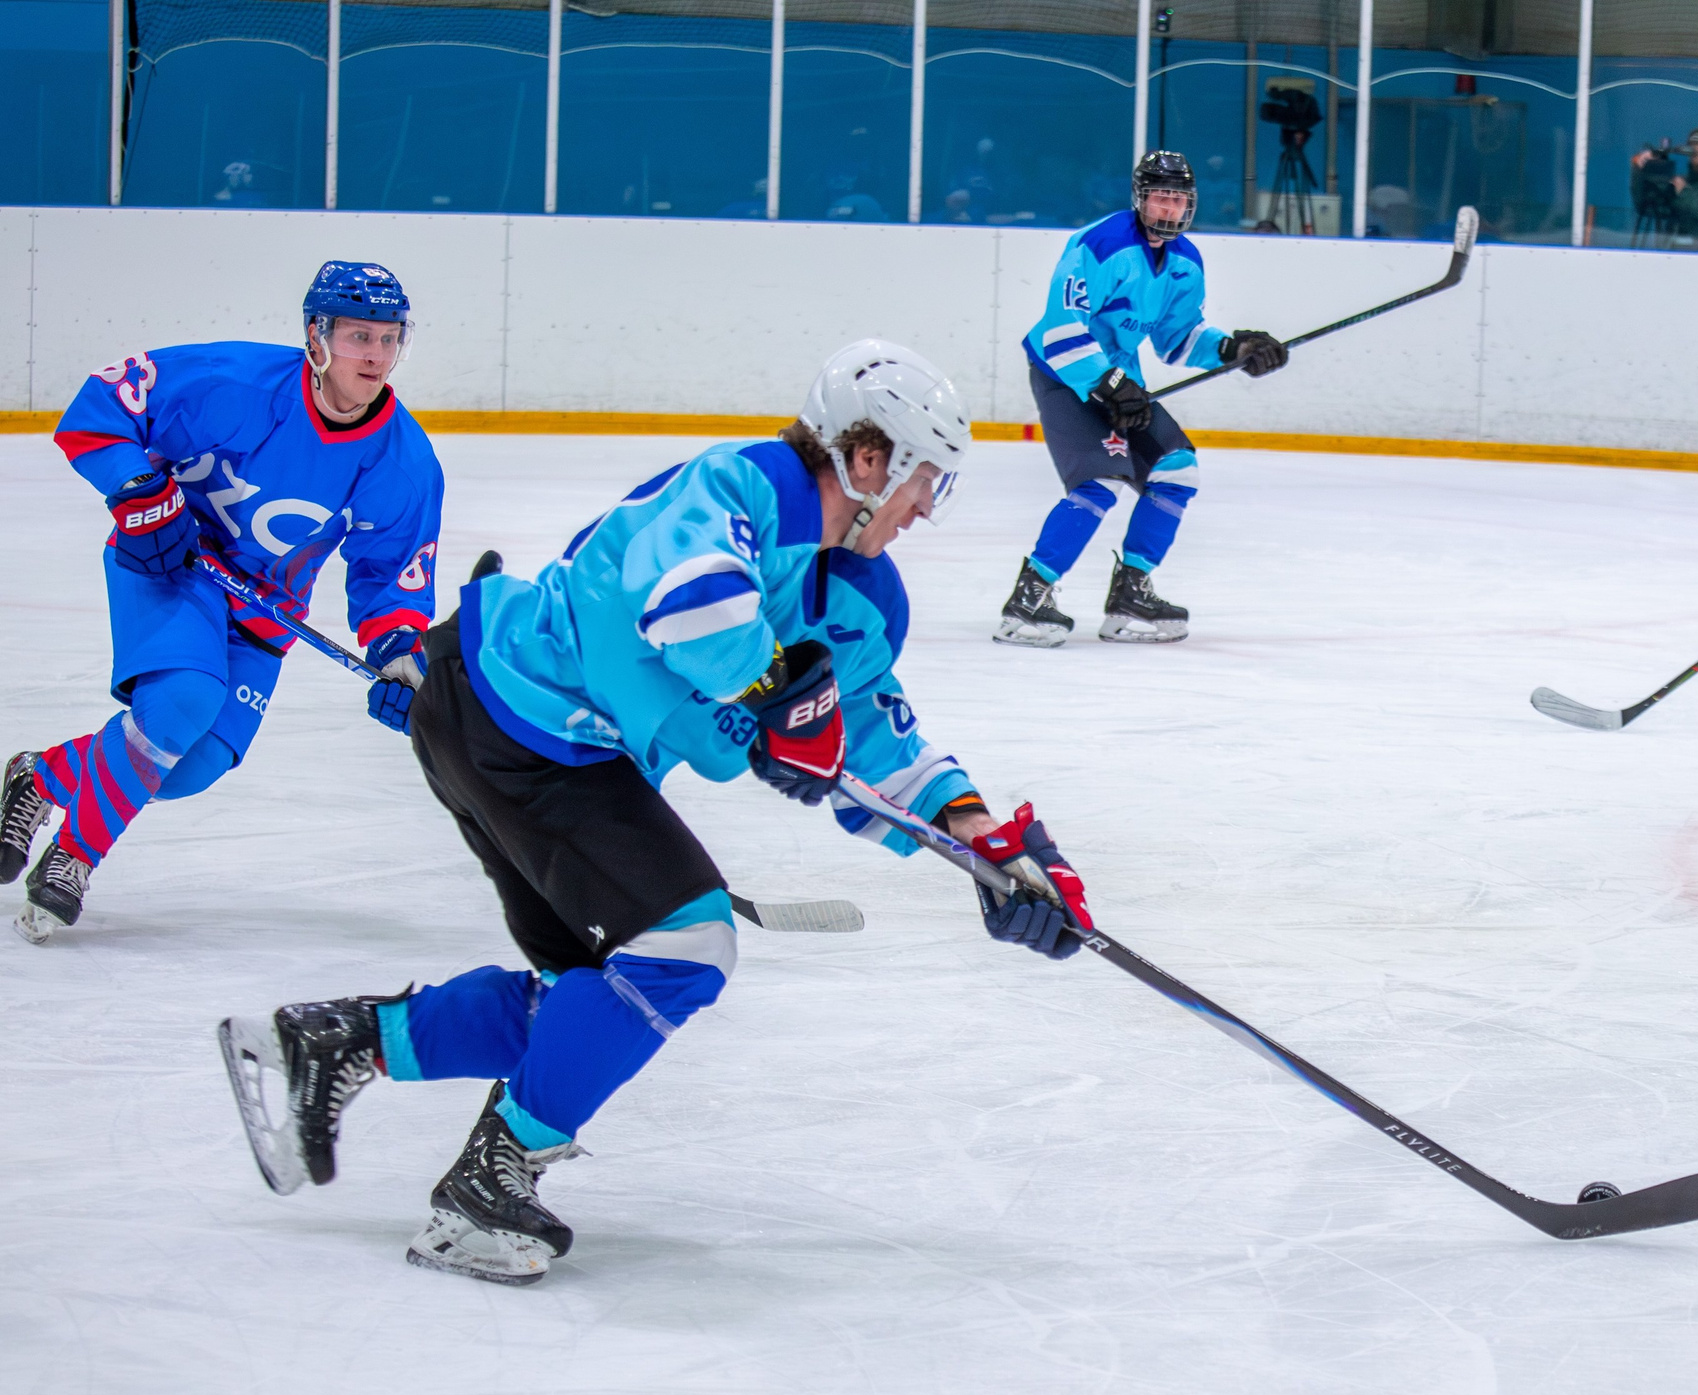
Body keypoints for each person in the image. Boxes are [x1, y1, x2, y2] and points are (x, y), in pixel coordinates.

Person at [215, 341, 1096, 1286]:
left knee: (591, 1004)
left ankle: (335, 1042)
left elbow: (876, 746)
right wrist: (772, 702)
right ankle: (487, 1184)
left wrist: (983, 846)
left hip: (535, 738)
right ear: (869, 459)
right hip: (515, 714)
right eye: (928, 480)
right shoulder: (741, 489)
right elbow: (689, 608)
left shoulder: (862, 598)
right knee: (686, 946)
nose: (927, 508)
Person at [1, 261, 443, 944]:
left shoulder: (404, 463)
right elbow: (98, 407)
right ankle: (74, 859)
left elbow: (391, 578)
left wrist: (400, 655)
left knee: (188, 767)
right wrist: (139, 490)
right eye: (360, 336)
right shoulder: (231, 384)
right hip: (172, 562)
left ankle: (41, 776)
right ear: (316, 335)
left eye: (389, 339)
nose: (376, 355)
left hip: (264, 616)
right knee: (182, 703)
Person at [996, 149, 1290, 647]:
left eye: (1178, 200)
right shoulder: (1103, 244)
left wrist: (1230, 348)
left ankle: (1131, 592)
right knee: (1101, 482)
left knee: (1177, 470)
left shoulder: (1185, 262)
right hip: (1067, 377)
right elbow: (1060, 328)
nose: (1169, 209)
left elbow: (1177, 338)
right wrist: (1107, 383)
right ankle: (1030, 597)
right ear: (1140, 199)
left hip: (1122, 386)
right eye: (1160, 198)